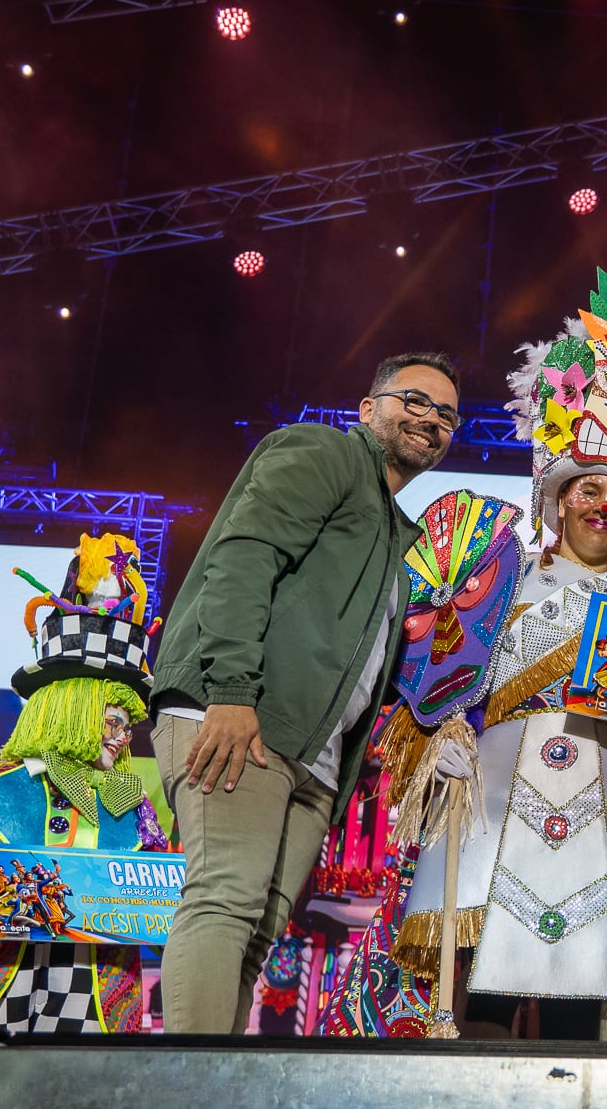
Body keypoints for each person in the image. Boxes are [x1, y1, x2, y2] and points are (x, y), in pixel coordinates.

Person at [332, 272, 607, 1043]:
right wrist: (439, 740)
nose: (602, 506)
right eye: (589, 488)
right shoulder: (494, 576)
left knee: (588, 991)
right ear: (558, 499)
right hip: (494, 796)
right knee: (480, 979)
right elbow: (429, 682)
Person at [150, 351, 457, 1033]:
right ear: (366, 408)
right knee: (225, 903)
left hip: (312, 754)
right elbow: (242, 556)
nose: (429, 418)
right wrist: (230, 694)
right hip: (243, 717)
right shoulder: (322, 453)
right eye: (413, 399)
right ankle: (182, 1091)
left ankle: (216, 1089)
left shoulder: (390, 532)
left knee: (257, 934)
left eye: (445, 414)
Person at [0, 538, 169, 1033]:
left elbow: (158, 900)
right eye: (111, 722)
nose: (121, 737)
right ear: (72, 712)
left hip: (93, 982)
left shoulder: (131, 803)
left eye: (126, 726)